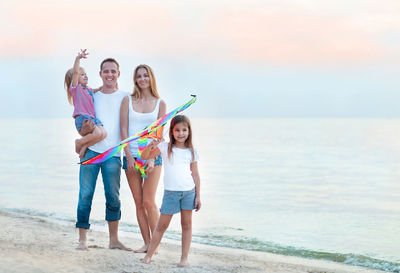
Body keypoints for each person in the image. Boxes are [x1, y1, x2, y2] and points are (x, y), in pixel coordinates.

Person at [76, 58, 131, 251]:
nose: (109, 74)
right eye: (106, 71)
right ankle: (82, 240)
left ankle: (114, 240)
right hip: (91, 152)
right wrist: (83, 131)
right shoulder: (92, 95)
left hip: (113, 154)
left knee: (113, 197)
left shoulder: (126, 97)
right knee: (85, 196)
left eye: (113, 71)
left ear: (118, 74)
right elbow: (82, 125)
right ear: (100, 74)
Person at [140, 115, 201, 267]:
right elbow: (144, 156)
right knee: (161, 226)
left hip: (189, 192)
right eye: (177, 130)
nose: (181, 133)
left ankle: (184, 258)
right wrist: (150, 145)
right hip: (171, 194)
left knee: (186, 225)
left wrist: (198, 195)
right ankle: (149, 255)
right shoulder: (165, 147)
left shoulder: (192, 151)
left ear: (189, 131)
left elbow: (195, 174)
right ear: (172, 132)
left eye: (184, 130)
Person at [120, 64, 166, 253]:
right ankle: (147, 243)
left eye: (145, 75)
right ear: (135, 79)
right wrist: (129, 157)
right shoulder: (127, 101)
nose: (142, 79)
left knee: (149, 201)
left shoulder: (160, 103)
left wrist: (150, 159)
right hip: (131, 156)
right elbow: (123, 130)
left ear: (151, 77)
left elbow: (158, 134)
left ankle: (155, 245)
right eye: (139, 76)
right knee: (138, 202)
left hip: (152, 156)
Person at [64, 49, 106, 158]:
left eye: (85, 74)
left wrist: (103, 87)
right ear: (75, 78)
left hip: (92, 118)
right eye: (82, 75)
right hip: (82, 118)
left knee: (103, 134)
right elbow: (76, 72)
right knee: (97, 134)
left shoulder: (88, 89)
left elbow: (96, 90)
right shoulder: (75, 88)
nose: (85, 76)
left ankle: (85, 145)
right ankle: (79, 142)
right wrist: (78, 58)